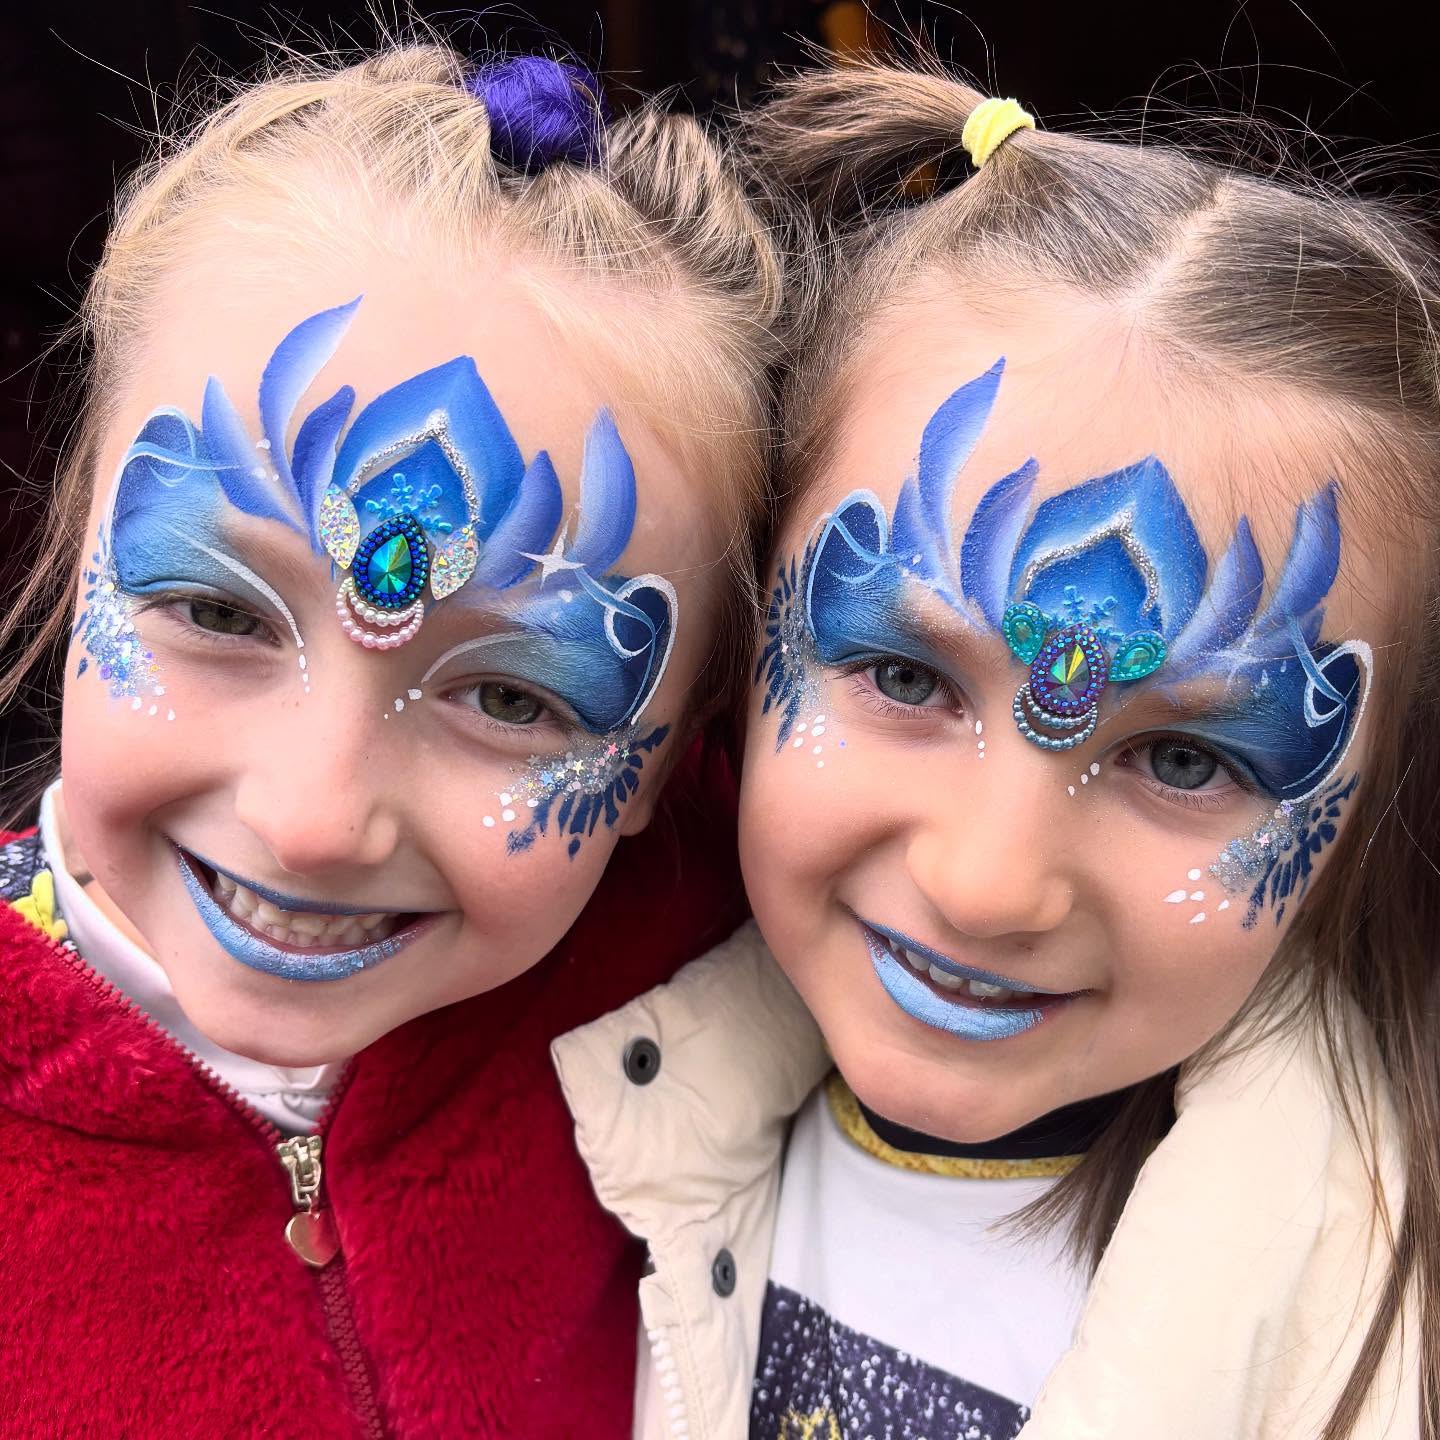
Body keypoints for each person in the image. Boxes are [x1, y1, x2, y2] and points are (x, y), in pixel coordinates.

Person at [553, 61, 1436, 1439]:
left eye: (1190, 762)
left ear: (1380, 795)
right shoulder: (555, 1090)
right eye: (906, 675)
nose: (988, 884)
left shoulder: (1391, 1338)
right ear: (741, 629)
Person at [0, 37, 782, 1437]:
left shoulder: (727, 951)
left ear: (672, 758)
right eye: (215, 610)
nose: (313, 817)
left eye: (510, 698)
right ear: (75, 553)